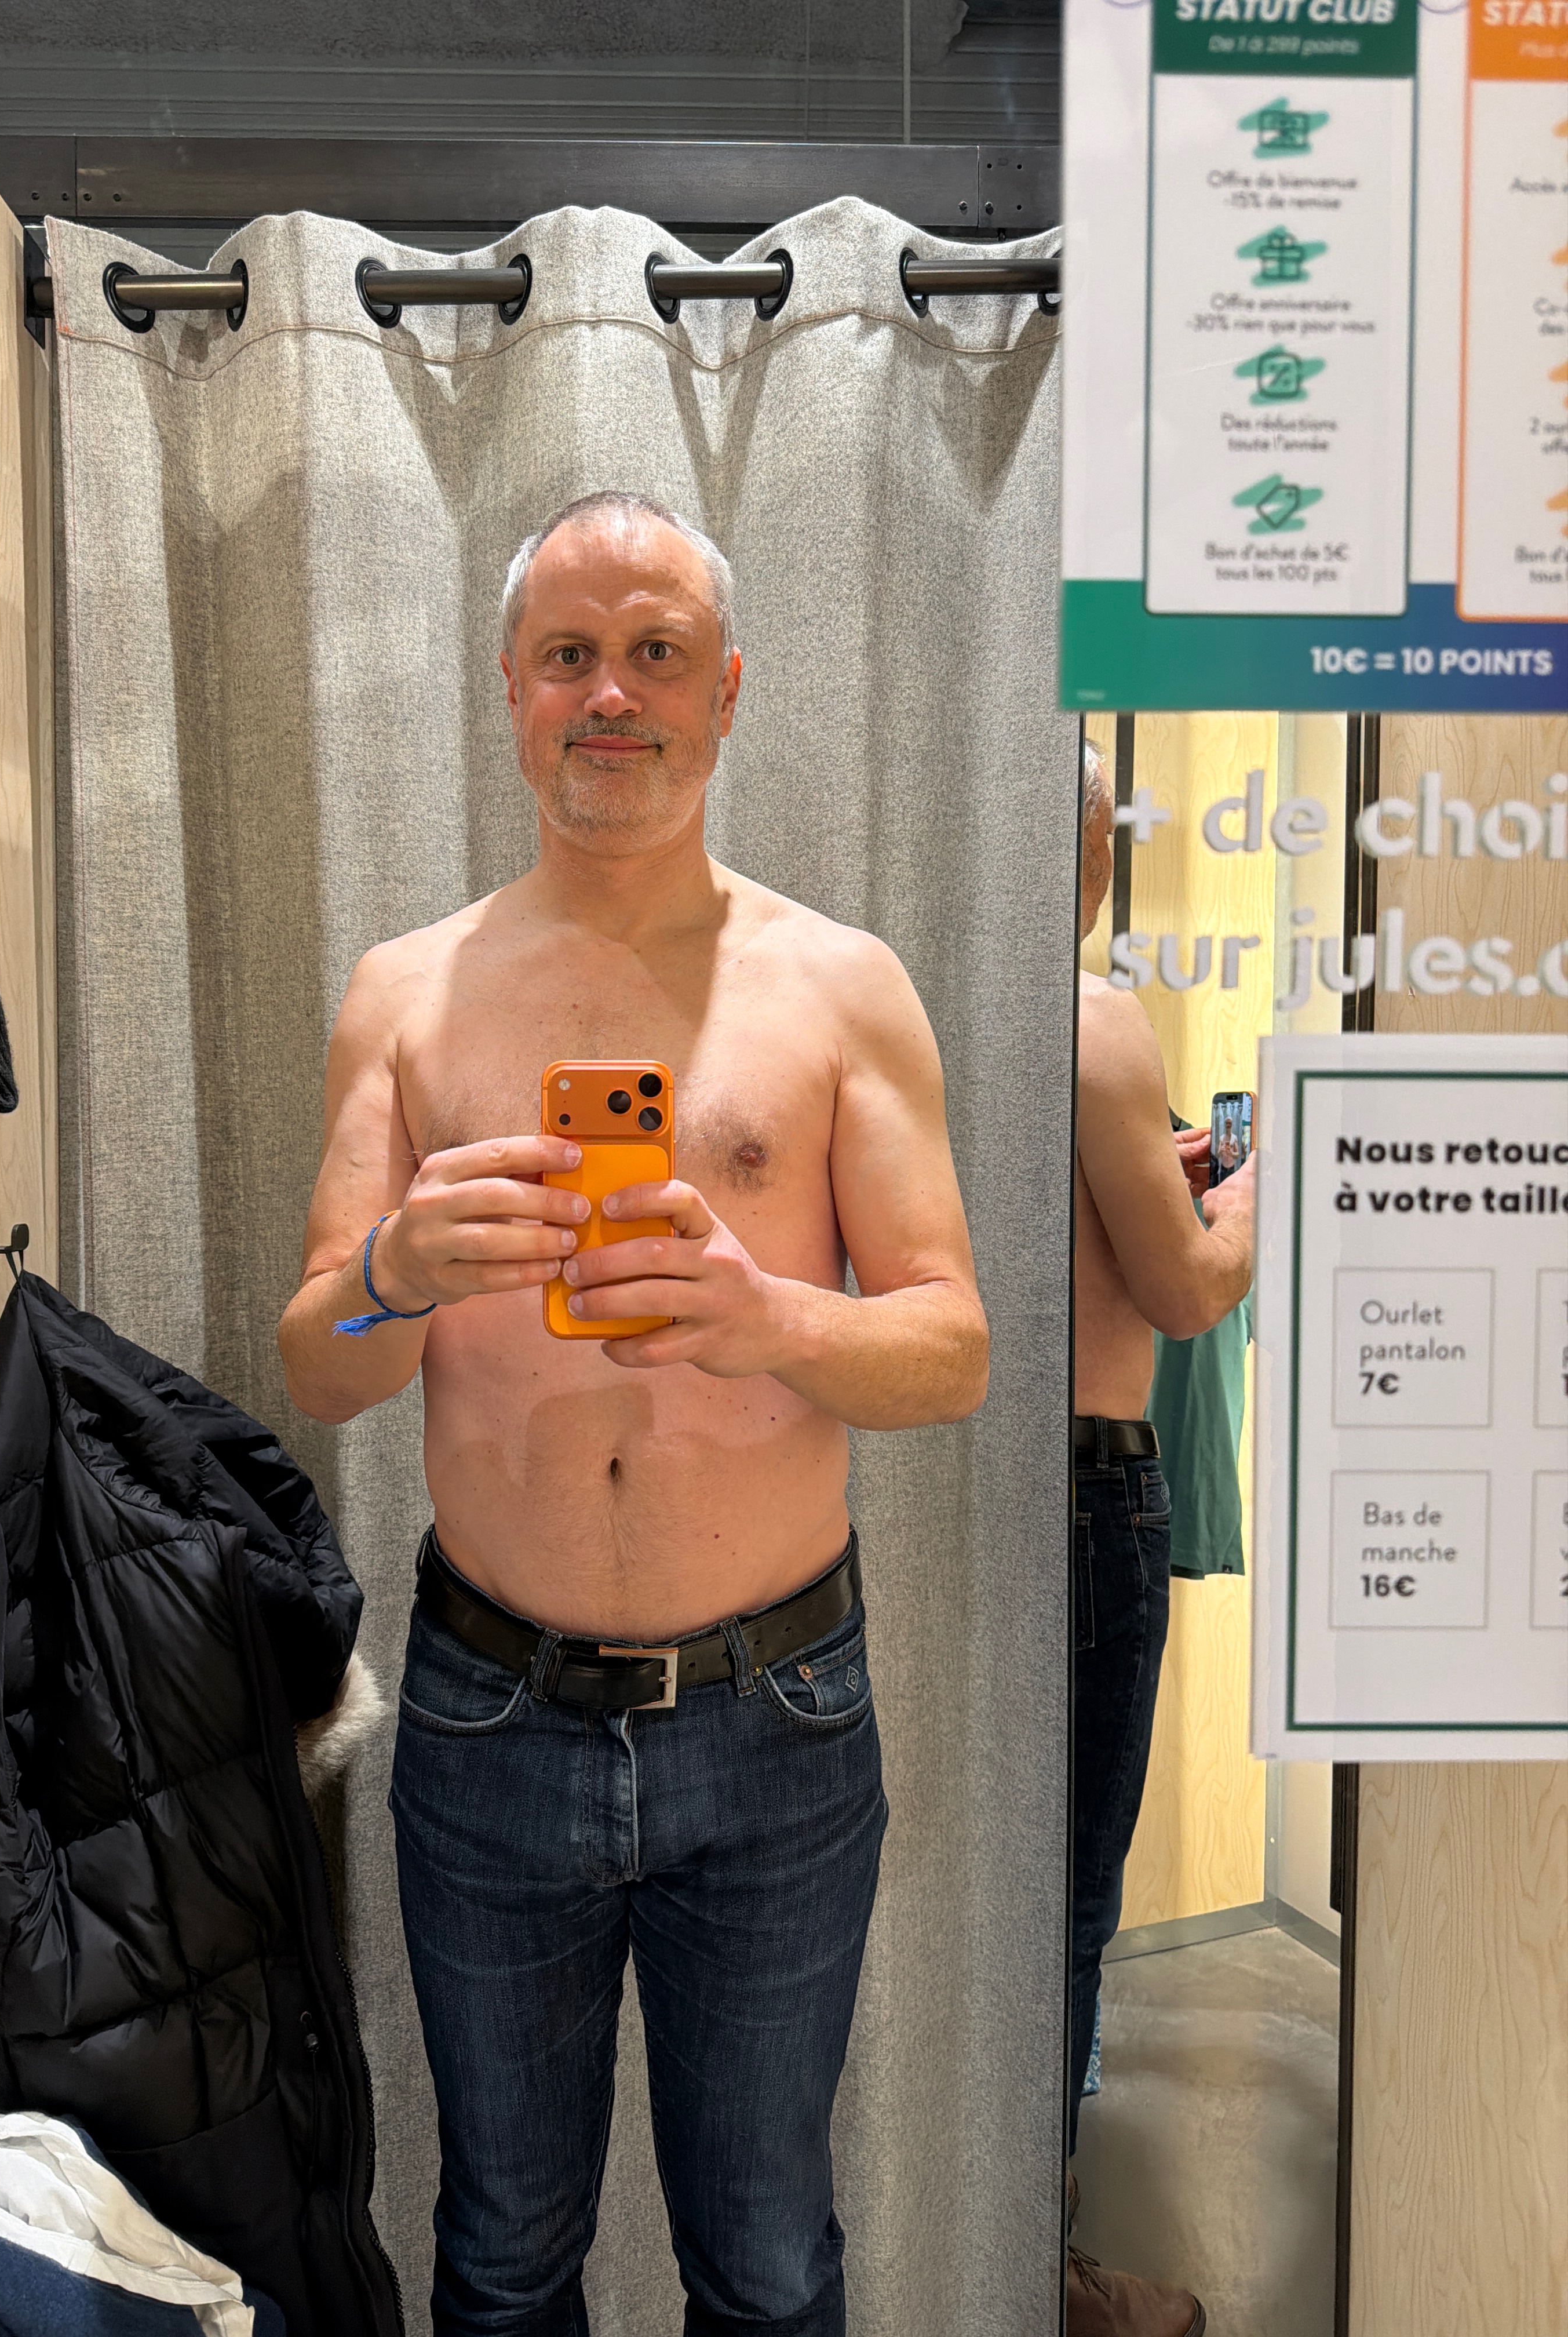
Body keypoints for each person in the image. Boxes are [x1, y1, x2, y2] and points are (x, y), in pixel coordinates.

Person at [278, 491, 990, 2337]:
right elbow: (319, 1364)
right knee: (504, 2255)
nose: (614, 693)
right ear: (510, 690)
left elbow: (952, 1351)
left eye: (656, 653)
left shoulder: (840, 987)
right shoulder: (406, 995)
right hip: (488, 1709)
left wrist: (768, 1319)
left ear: (725, 690)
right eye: (571, 655)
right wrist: (397, 1272)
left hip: (779, 1716)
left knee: (768, 2258)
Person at [1065, 740, 1256, 2337]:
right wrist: (1249, 1197)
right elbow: (1184, 1293)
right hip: (1086, 1491)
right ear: (1095, 855)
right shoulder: (1096, 1021)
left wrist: (1159, 1178)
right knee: (1070, 1900)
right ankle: (1046, 2272)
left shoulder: (911, 1011)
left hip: (951, 1492)